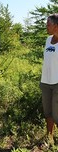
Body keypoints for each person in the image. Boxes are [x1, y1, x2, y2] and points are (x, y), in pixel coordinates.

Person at [40, 13, 58, 147]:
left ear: (56, 26)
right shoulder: (48, 40)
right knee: (48, 112)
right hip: (46, 82)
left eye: (48, 24)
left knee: (57, 114)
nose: (46, 26)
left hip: (57, 83)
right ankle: (50, 138)